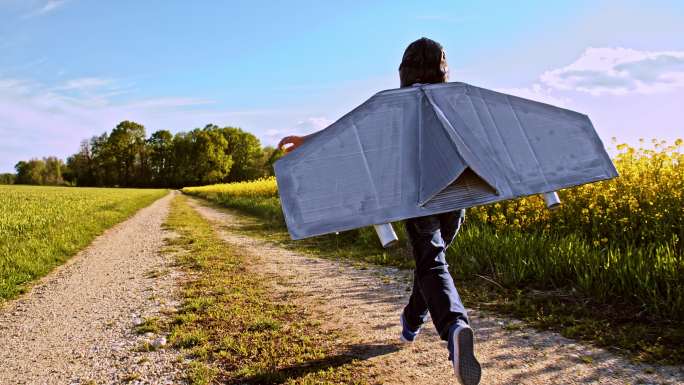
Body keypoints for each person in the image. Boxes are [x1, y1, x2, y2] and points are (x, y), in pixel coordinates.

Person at [278, 37, 481, 385]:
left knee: (431, 262)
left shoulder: (395, 107)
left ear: (402, 71)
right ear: (443, 69)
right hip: (457, 192)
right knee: (434, 263)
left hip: (417, 196)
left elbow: (351, 132)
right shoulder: (459, 101)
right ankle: (412, 323)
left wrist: (308, 141)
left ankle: (454, 328)